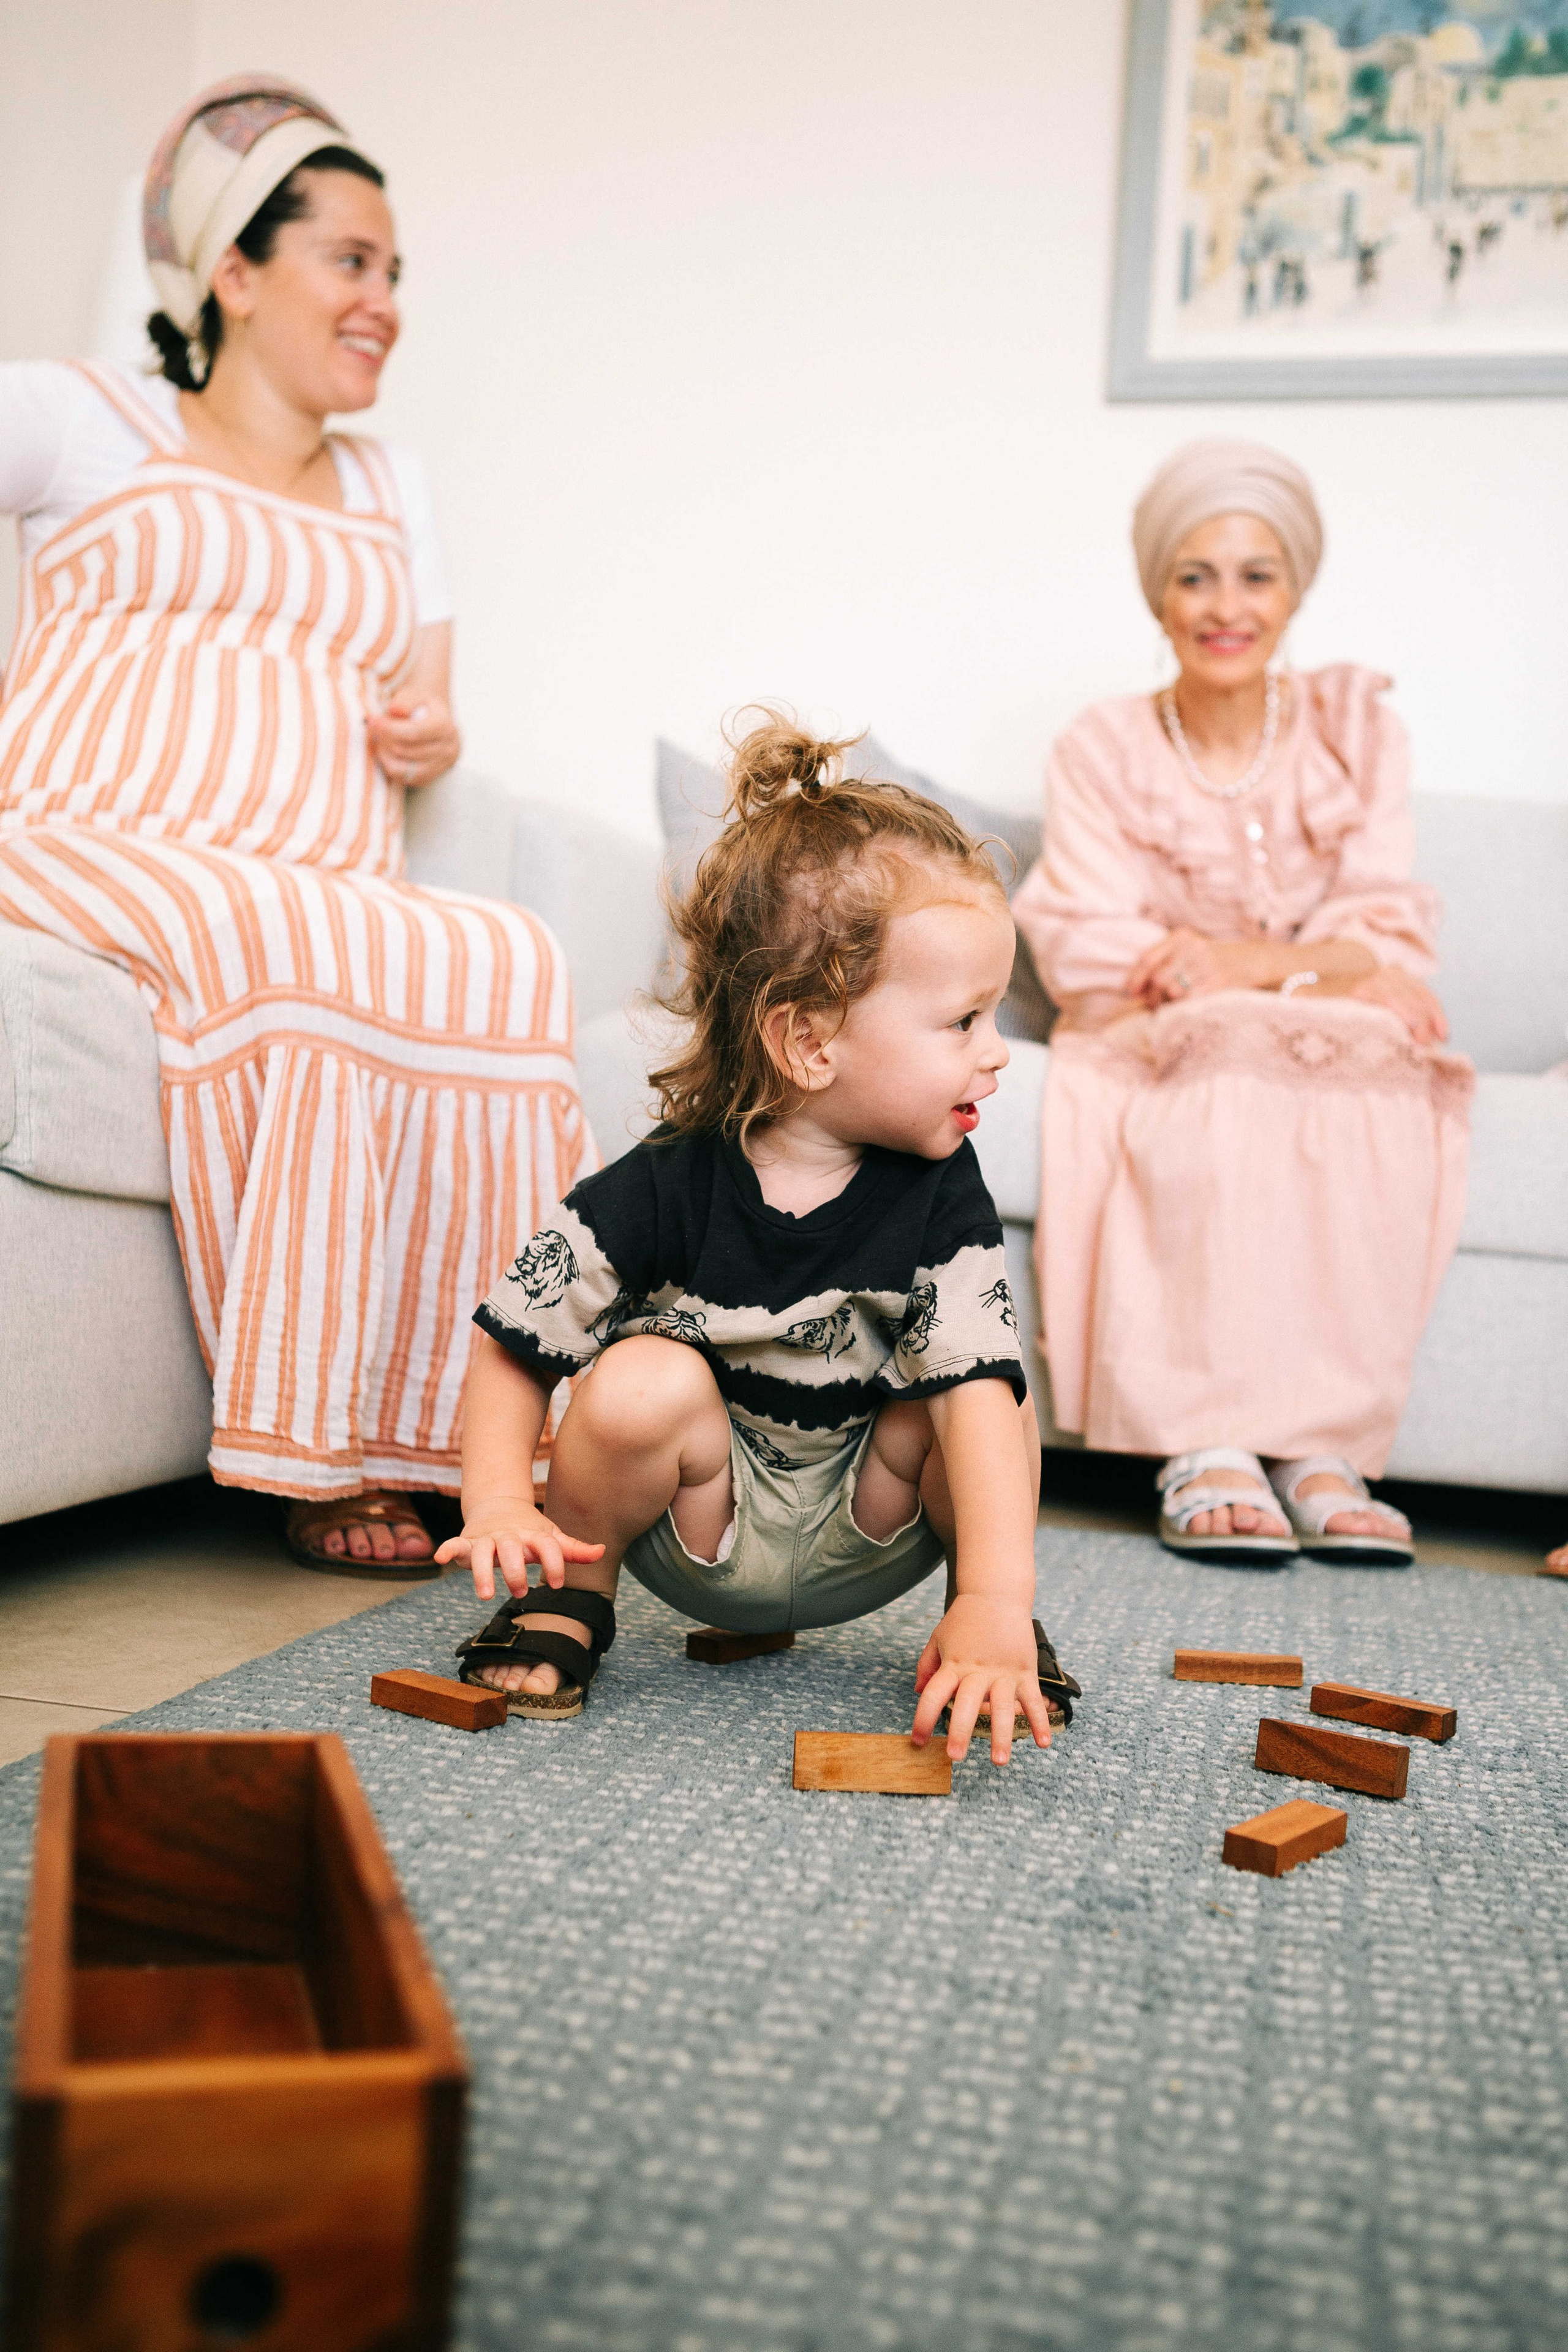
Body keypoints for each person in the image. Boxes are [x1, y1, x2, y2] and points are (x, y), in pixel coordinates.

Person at [0, 78, 591, 1569]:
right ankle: (320, 1450)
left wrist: (428, 730)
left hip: (312, 860)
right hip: (92, 841)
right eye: (350, 261)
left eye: (395, 274)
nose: (383, 300)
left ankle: (484, 1443)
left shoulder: (396, 485)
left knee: (504, 954)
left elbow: (428, 700)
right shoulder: (88, 418)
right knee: (300, 940)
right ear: (236, 273)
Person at [435, 714, 1081, 1762]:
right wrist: (505, 1500)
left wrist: (999, 1593)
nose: (996, 1056)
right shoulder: (666, 1181)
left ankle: (989, 1626)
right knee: (638, 1375)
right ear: (811, 1040)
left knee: (987, 1394)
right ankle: (569, 1604)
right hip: (705, 1524)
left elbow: (970, 1396)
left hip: (867, 1527)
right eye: (964, 1022)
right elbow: (518, 1336)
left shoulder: (940, 1186)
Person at [1012, 440, 1472, 1564]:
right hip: (1155, 1026)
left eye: (1256, 575)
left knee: (1368, 1057)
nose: (1227, 606)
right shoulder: (1101, 745)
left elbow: (1387, 931)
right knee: (1221, 1043)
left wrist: (1242, 962)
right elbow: (1086, 938)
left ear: (1296, 589)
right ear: (1157, 594)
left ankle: (1323, 1446)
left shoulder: (1360, 732)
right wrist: (1288, 970)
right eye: (1196, 576)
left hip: (1302, 1012)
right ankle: (1204, 1435)